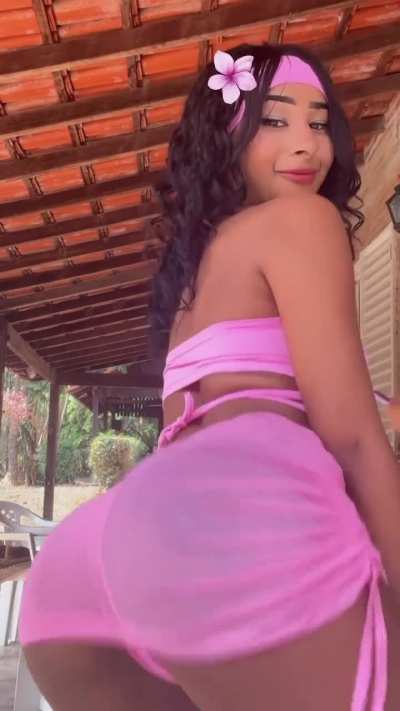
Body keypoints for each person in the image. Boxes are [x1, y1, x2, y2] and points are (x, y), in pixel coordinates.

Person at [18, 42, 400, 711]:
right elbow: (352, 437)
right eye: (275, 120)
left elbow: (202, 426)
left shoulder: (193, 278)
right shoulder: (303, 221)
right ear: (228, 138)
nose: (306, 144)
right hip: (236, 531)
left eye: (319, 123)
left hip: (87, 567)